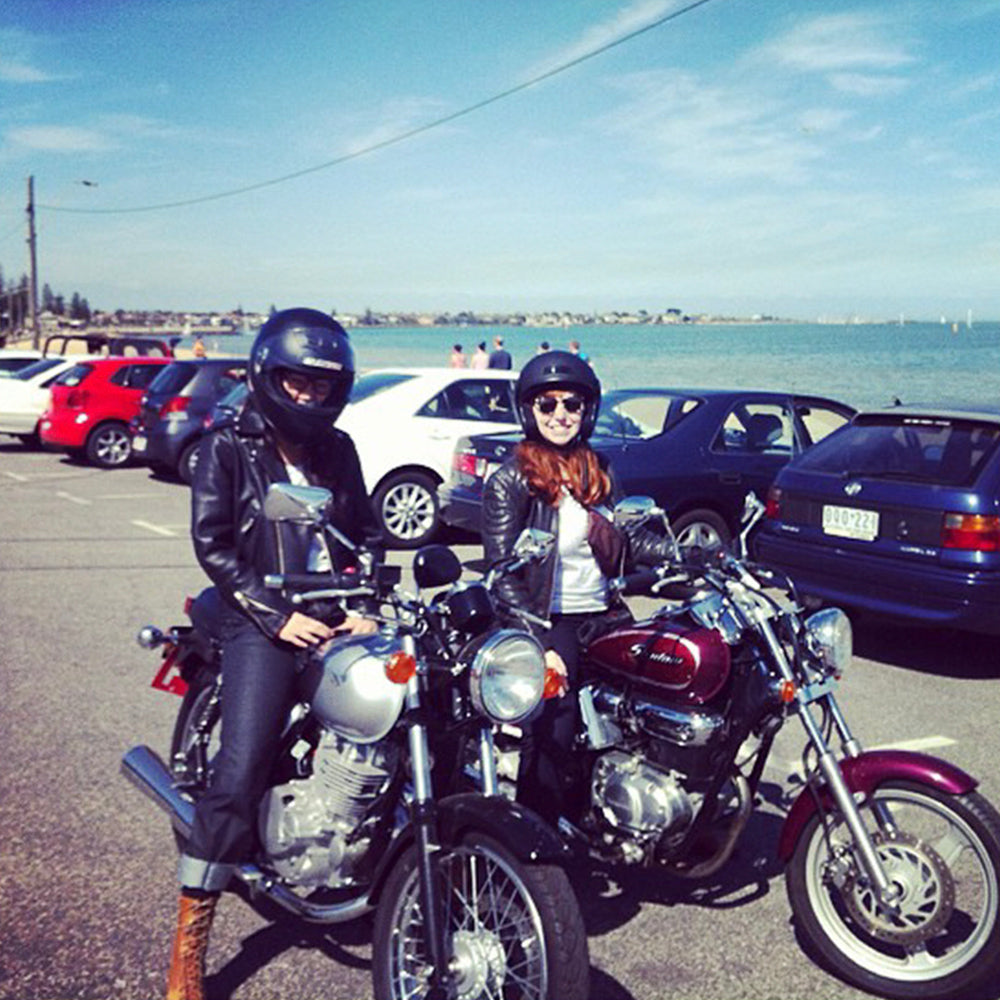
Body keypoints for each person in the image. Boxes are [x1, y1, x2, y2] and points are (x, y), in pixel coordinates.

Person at [164, 308, 382, 1000]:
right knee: (243, 764)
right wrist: (275, 614)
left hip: (330, 611)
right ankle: (189, 943)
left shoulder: (339, 449)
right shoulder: (228, 444)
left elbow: (366, 530)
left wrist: (365, 602)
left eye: (322, 386)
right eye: (297, 382)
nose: (310, 396)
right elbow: (214, 543)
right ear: (268, 376)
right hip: (257, 617)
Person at [481, 350, 673, 826]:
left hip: (604, 615)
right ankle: (533, 838)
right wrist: (540, 643)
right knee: (555, 728)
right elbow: (504, 572)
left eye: (572, 404)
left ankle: (622, 814)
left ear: (588, 410)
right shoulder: (513, 480)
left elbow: (631, 536)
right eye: (548, 405)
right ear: (529, 411)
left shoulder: (598, 470)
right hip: (550, 621)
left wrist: (688, 552)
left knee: (648, 709)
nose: (561, 415)